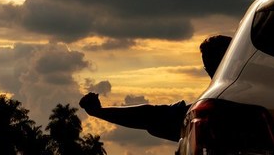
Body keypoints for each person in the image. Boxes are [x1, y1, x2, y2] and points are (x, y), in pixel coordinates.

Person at [79, 34, 232, 142]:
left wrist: (98, 112)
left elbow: (150, 117)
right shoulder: (209, 108)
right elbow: (152, 116)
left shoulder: (211, 111)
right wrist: (99, 112)